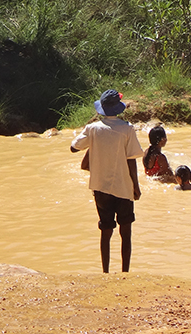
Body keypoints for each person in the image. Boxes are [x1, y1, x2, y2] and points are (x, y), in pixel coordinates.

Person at [70, 89, 144, 273]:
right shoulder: (127, 129)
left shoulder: (93, 129)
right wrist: (135, 185)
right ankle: (125, 272)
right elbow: (131, 159)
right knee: (125, 232)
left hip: (100, 188)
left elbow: (73, 148)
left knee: (106, 231)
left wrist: (94, 143)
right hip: (123, 187)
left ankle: (105, 272)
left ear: (101, 109)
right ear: (118, 110)